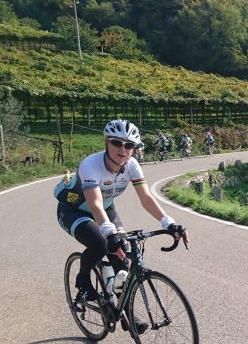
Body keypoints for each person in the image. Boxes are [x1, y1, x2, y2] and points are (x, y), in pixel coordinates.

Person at [54, 119, 188, 333]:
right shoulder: (91, 164)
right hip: (74, 211)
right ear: (106, 142)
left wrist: (169, 223)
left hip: (106, 209)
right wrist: (109, 233)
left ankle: (126, 314)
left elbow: (147, 199)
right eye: (117, 142)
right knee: (101, 244)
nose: (123, 149)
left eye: (129, 145)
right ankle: (82, 280)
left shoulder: (131, 165)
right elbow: (94, 204)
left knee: (122, 258)